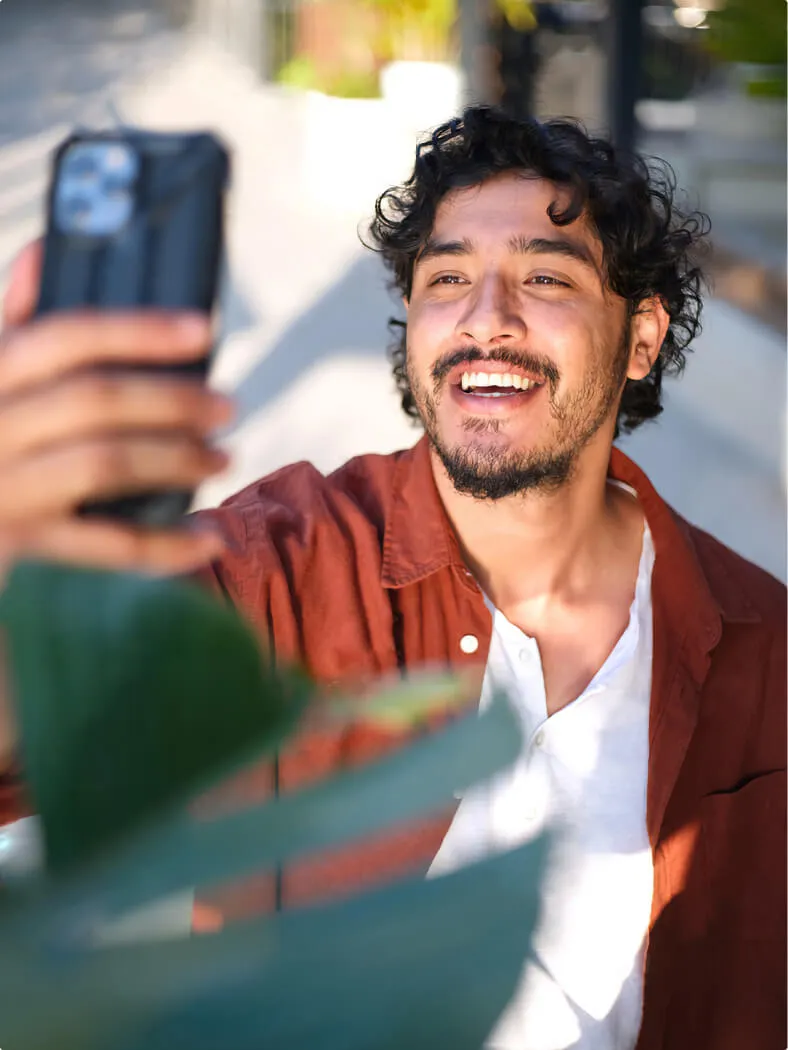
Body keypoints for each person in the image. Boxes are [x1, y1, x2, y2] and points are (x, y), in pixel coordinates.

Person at [0, 107, 784, 1050]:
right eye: (446, 278)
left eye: (544, 276)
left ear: (641, 337)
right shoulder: (279, 560)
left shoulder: (763, 644)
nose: (485, 317)